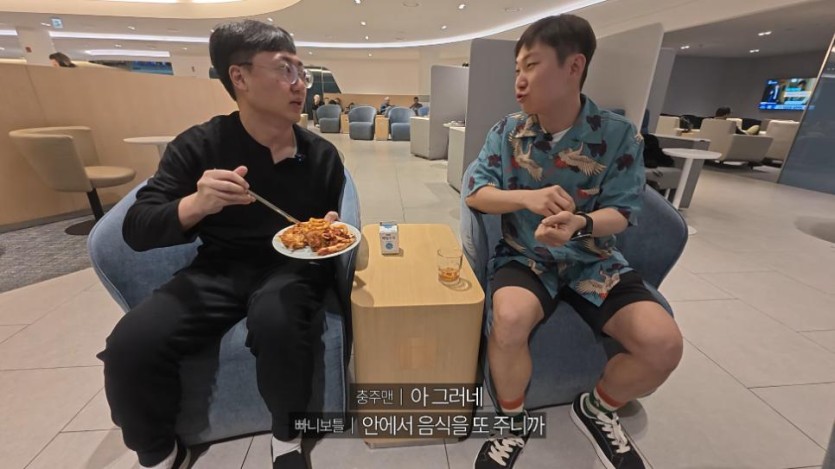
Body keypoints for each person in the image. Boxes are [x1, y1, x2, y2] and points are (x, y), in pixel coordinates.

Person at [98, 19, 344, 469]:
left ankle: (287, 437)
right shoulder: (200, 146)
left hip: (291, 268)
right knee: (130, 342)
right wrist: (196, 204)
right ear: (239, 77)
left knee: (278, 319)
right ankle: (159, 450)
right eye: (285, 69)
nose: (300, 84)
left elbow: (329, 224)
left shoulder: (322, 156)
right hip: (219, 267)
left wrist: (327, 230)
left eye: (302, 72)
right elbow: (136, 228)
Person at [466, 14, 682, 469]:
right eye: (516, 69)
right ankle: (512, 421)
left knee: (663, 345)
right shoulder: (507, 132)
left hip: (592, 259)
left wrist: (580, 223)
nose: (519, 80)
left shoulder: (617, 135)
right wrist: (526, 197)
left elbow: (623, 212)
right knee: (508, 319)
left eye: (531, 65)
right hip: (525, 257)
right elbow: (476, 193)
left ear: (574, 66)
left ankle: (597, 408)